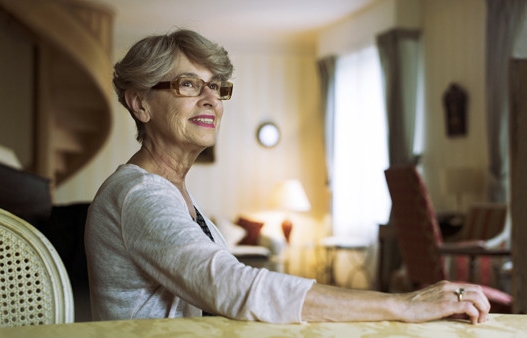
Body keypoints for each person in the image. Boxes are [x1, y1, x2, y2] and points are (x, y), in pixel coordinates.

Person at [84, 28, 490, 325]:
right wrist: (403, 305)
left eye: (217, 87)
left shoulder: (174, 193)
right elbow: (233, 286)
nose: (211, 98)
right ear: (140, 104)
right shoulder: (138, 194)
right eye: (188, 84)